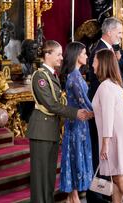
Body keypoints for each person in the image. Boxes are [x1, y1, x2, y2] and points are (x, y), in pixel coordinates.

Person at [27, 40, 90, 203]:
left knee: (48, 177)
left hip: (51, 130)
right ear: (47, 54)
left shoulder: (51, 75)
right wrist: (75, 112)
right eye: (58, 54)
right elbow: (51, 104)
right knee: (40, 177)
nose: (62, 58)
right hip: (42, 131)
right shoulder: (40, 76)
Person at [92, 49, 123, 203]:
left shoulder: (105, 86)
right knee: (117, 178)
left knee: (120, 178)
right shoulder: (113, 84)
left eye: (95, 61)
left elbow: (108, 117)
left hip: (113, 136)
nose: (92, 64)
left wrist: (105, 144)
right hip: (117, 133)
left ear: (102, 63)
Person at [59, 42, 93, 203]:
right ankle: (73, 197)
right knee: (75, 158)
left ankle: (72, 197)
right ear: (77, 55)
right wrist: (102, 113)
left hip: (78, 123)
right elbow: (84, 103)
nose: (87, 56)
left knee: (75, 157)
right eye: (84, 53)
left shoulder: (76, 75)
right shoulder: (75, 77)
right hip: (77, 124)